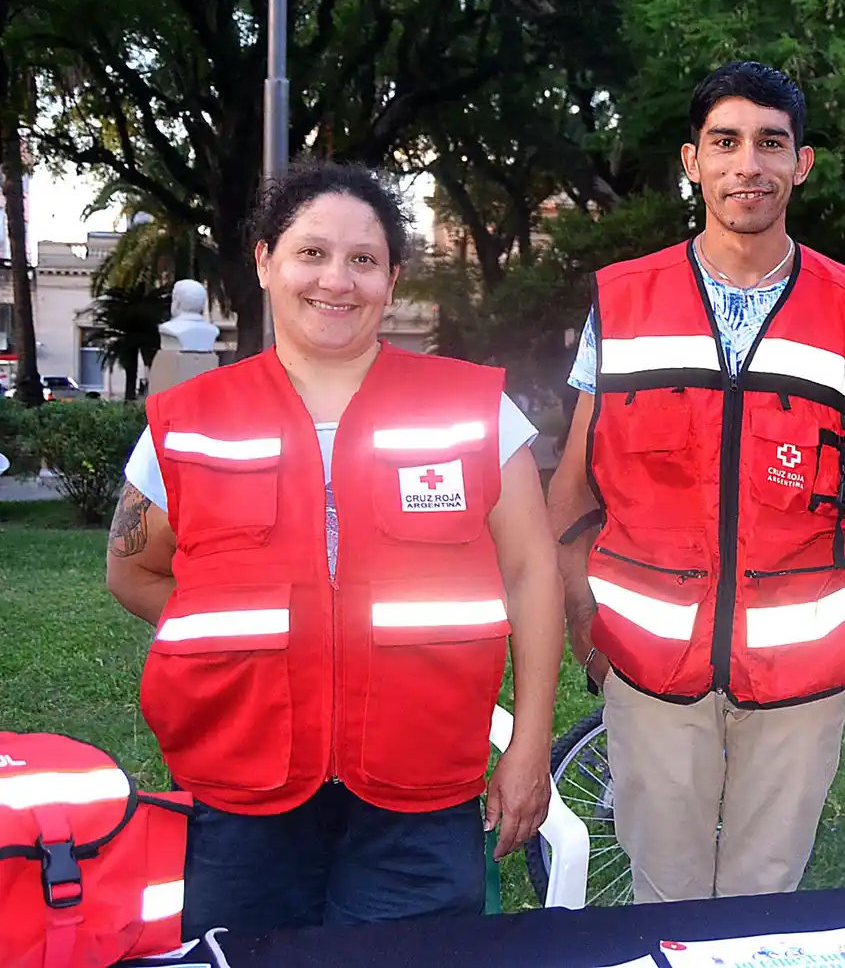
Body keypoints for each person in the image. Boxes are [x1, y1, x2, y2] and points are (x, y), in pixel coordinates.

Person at [104, 161, 563, 935]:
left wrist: (530, 745)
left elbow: (532, 571)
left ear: (393, 278)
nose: (337, 281)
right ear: (265, 262)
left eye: (363, 259)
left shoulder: (473, 408)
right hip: (242, 790)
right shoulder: (189, 420)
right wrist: (255, 641)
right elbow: (133, 569)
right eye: (311, 253)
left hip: (421, 791)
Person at [547, 61, 845, 902]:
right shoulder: (623, 300)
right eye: (726, 142)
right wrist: (588, 634)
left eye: (770, 143)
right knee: (662, 897)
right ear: (693, 160)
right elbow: (570, 493)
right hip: (646, 661)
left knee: (763, 901)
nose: (748, 163)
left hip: (802, 675)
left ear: (801, 163)